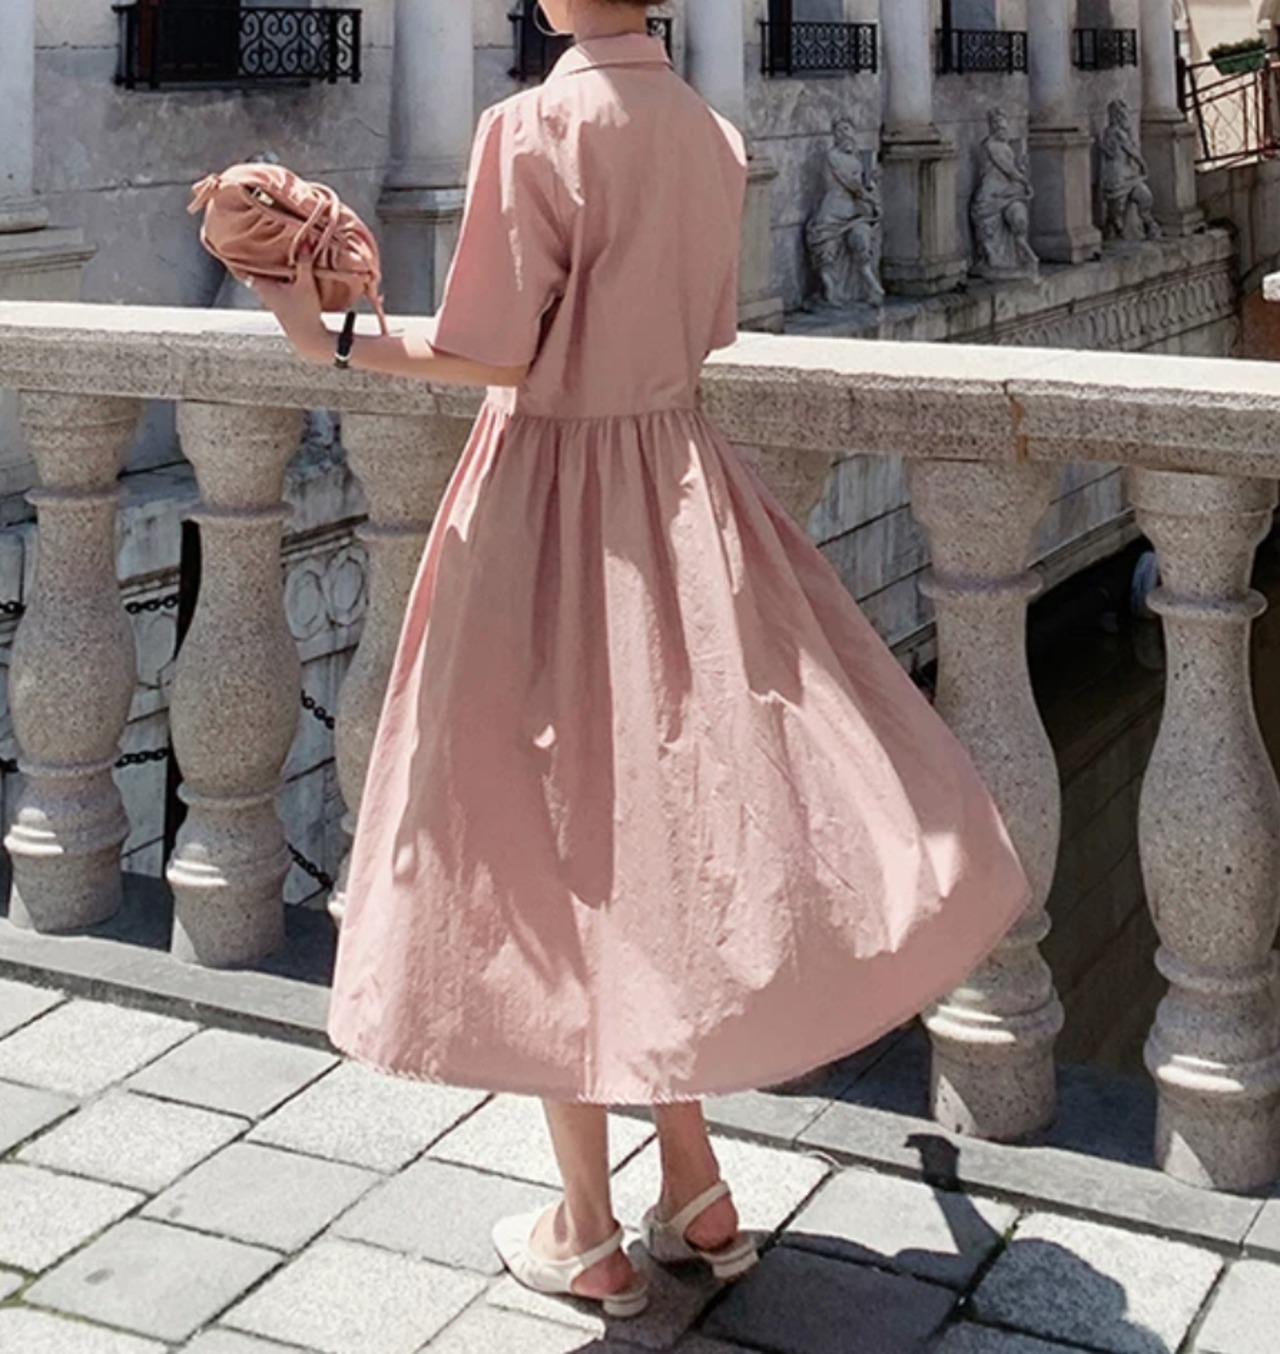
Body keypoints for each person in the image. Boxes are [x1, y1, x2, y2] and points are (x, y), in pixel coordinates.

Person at [251, 0, 1031, 1321]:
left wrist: (321, 329)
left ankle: (588, 1227)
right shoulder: (709, 133)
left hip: (547, 502)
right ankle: (695, 1185)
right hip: (676, 493)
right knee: (653, 847)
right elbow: (705, 326)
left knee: (538, 848)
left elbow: (486, 348)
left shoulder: (532, 125)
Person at [805, 116, 885, 308]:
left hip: (855, 211)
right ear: (834, 135)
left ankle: (872, 287)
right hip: (833, 210)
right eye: (839, 130)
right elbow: (852, 184)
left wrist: (872, 180)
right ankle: (831, 291)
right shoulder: (833, 157)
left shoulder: (858, 158)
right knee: (825, 247)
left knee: (861, 241)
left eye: (847, 129)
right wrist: (867, 194)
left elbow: (863, 184)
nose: (844, 134)